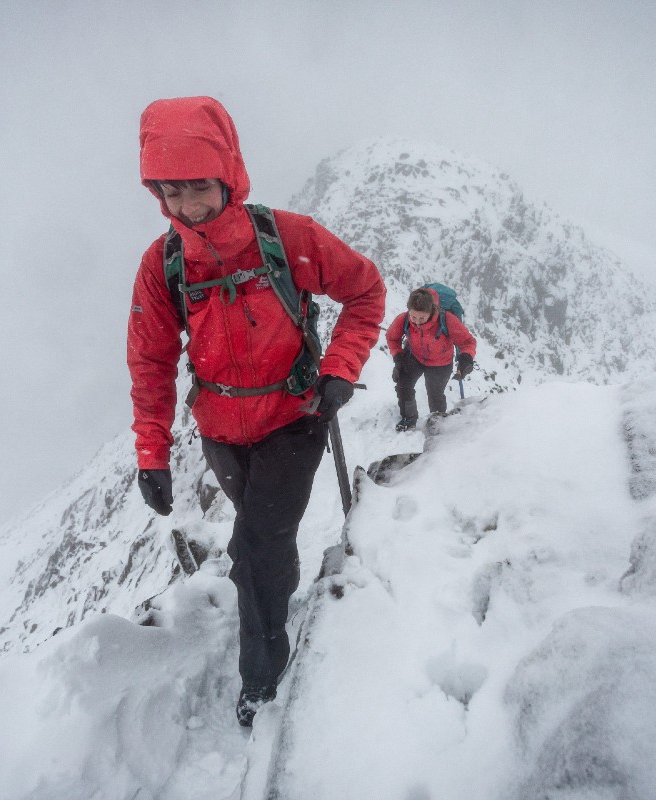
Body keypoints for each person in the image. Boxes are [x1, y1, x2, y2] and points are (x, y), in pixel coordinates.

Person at [127, 97, 386, 726]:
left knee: (257, 544)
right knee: (265, 535)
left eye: (199, 187)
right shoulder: (162, 268)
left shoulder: (286, 239)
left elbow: (367, 291)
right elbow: (151, 363)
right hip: (219, 431)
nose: (187, 205)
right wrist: (151, 454)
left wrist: (340, 370)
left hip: (296, 420)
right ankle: (277, 587)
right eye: (171, 190)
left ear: (228, 174)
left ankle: (262, 678)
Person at [386, 287, 476, 431]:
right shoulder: (404, 319)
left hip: (441, 363)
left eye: (422, 318)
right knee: (403, 385)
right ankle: (409, 419)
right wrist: (398, 357)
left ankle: (437, 422)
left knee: (435, 394)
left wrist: (466, 357)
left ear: (432, 311)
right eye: (413, 317)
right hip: (414, 357)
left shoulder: (446, 320)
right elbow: (392, 337)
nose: (417, 322)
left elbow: (467, 341)